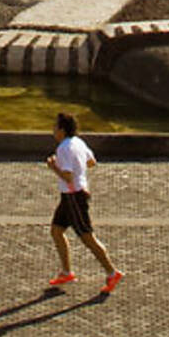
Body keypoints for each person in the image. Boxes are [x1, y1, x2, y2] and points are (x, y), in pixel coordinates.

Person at [44, 111, 122, 292]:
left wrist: (53, 166)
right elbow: (91, 162)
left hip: (73, 197)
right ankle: (66, 272)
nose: (53, 130)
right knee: (56, 231)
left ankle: (112, 272)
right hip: (70, 196)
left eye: (55, 127)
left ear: (62, 130)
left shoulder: (63, 149)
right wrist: (80, 170)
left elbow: (68, 177)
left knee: (87, 237)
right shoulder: (78, 142)